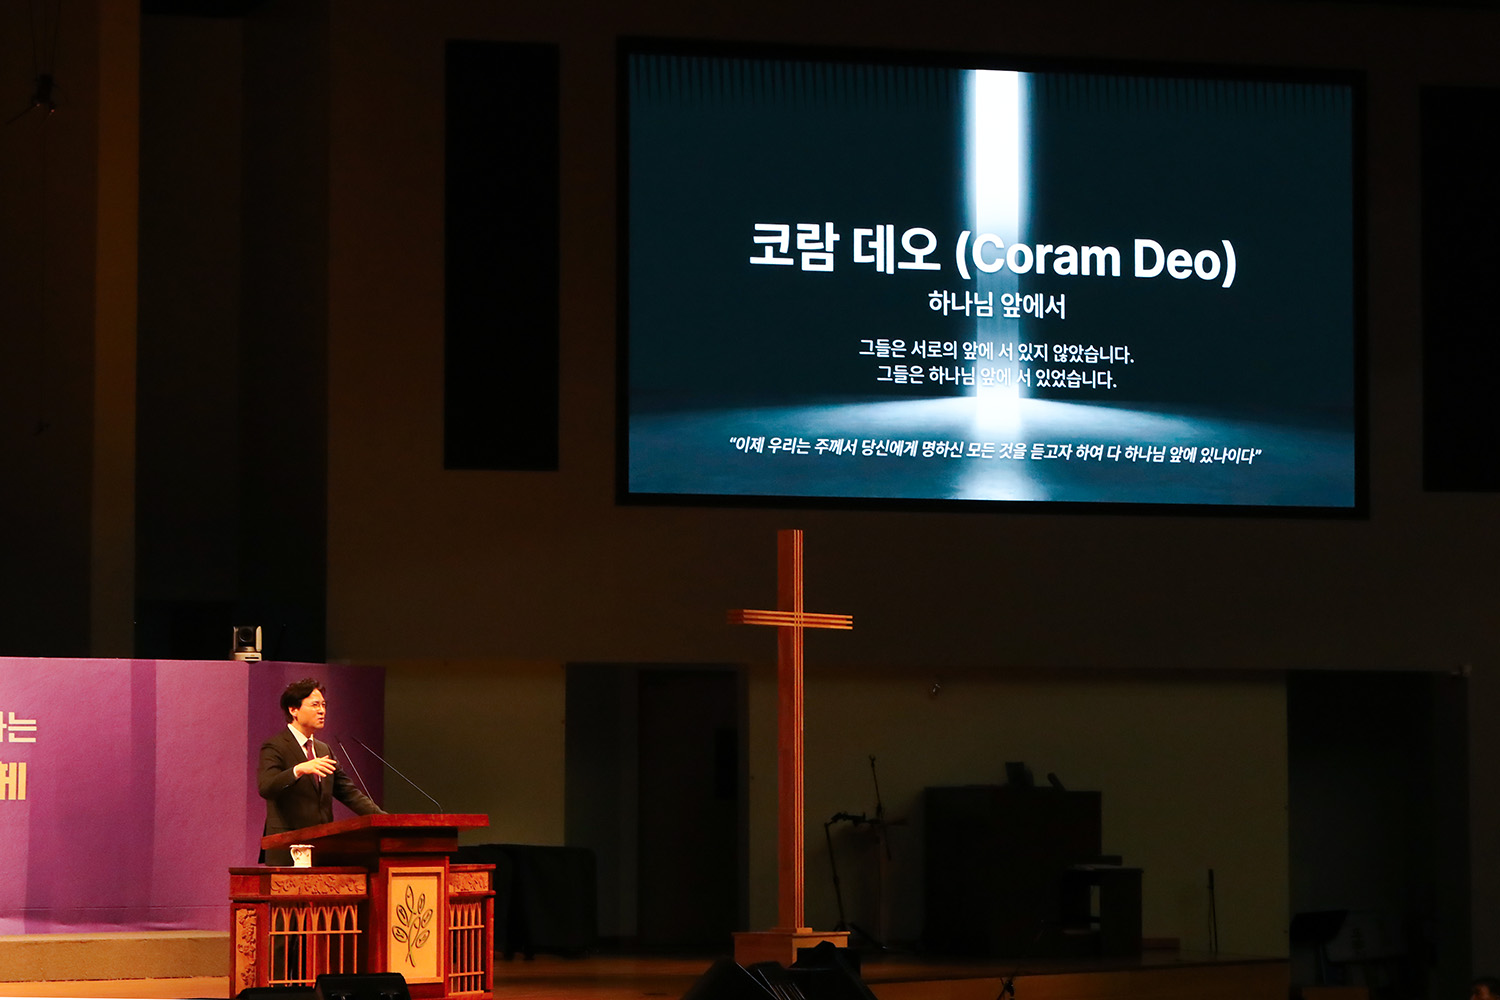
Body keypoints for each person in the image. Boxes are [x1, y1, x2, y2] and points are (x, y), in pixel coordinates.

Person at [258, 676, 384, 865]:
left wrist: (385, 821)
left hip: (322, 848)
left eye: (323, 705)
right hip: (287, 849)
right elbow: (266, 787)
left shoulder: (324, 749)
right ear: (293, 710)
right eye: (315, 705)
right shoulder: (275, 746)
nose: (321, 711)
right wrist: (298, 770)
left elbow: (350, 794)